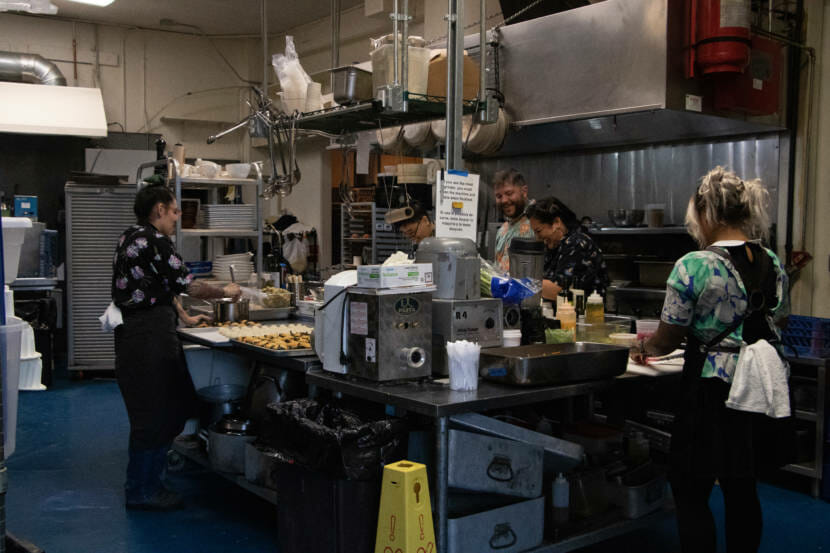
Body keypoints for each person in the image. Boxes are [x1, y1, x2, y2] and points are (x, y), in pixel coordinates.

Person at [630, 167, 790, 553]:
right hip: (756, 387)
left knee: (691, 487)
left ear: (706, 214)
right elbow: (779, 316)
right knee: (741, 485)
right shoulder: (771, 260)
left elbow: (669, 335)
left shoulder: (695, 264)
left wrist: (644, 349)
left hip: (709, 391)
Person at [112, 184, 241, 511]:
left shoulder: (130, 236)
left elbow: (157, 285)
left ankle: (148, 481)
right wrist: (226, 289)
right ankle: (142, 491)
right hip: (148, 337)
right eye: (173, 210)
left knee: (162, 409)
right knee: (155, 413)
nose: (177, 216)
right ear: (158, 209)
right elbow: (186, 283)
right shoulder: (156, 240)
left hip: (137, 333)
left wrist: (182, 315)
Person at [525, 197, 609, 300]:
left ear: (556, 222)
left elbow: (557, 290)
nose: (537, 238)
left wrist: (523, 282)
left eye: (538, 231)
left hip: (586, 314)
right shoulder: (554, 246)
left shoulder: (577, 243)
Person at [492, 169, 535, 272]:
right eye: (499, 196)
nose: (504, 200)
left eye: (509, 193)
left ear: (524, 192)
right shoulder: (503, 230)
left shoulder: (537, 224)